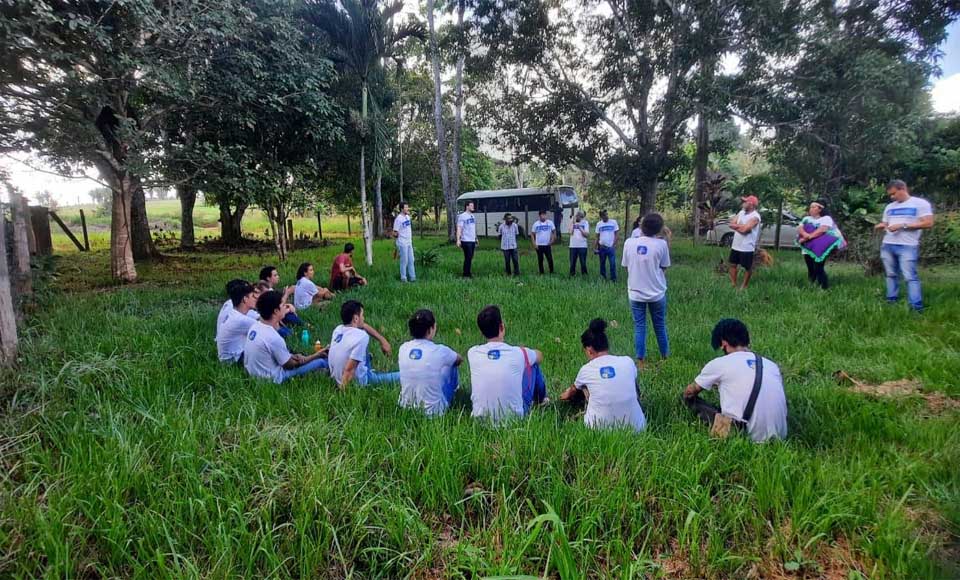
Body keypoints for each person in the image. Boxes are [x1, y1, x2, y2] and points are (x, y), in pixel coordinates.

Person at [681, 319, 787, 443]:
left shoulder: (720, 364)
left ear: (723, 343)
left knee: (687, 399)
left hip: (744, 436)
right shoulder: (771, 365)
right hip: (781, 437)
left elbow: (690, 391)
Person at [559, 319, 646, 432]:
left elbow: (571, 391)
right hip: (637, 427)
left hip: (597, 429)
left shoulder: (586, 370)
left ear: (589, 350)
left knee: (584, 387)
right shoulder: (627, 361)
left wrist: (563, 396)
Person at [468, 305, 548, 421]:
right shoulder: (519, 353)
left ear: (481, 332)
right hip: (514, 419)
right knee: (533, 364)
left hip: (480, 421)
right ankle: (541, 400)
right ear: (502, 327)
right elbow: (539, 356)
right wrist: (525, 353)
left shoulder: (473, 353)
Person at [873, 180, 935, 312]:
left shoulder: (920, 204)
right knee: (890, 274)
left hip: (907, 245)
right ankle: (891, 300)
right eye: (890, 195)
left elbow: (928, 223)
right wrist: (881, 226)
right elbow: (886, 223)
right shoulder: (890, 207)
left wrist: (903, 225)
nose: (892, 197)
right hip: (888, 244)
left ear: (903, 189)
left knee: (910, 277)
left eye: (894, 193)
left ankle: (916, 307)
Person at [243, 290, 329, 383]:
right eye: (283, 305)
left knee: (299, 356)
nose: (286, 307)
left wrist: (292, 356)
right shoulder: (273, 337)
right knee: (322, 362)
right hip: (272, 379)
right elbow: (291, 365)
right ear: (276, 311)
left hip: (256, 374)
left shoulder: (255, 327)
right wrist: (316, 355)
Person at [622, 213, 670, 370]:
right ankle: (665, 357)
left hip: (635, 292)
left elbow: (625, 265)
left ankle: (641, 361)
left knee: (639, 326)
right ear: (659, 229)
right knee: (660, 325)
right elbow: (664, 266)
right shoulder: (661, 244)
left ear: (641, 226)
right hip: (657, 293)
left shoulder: (629, 243)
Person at [398, 309, 463, 416]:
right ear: (430, 329)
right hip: (434, 412)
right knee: (451, 365)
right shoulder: (440, 351)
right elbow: (459, 359)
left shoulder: (403, 348)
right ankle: (457, 391)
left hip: (406, 408)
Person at [328, 300, 399, 388]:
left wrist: (382, 340)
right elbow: (349, 370)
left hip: (335, 377)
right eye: (362, 315)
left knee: (360, 335)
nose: (364, 318)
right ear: (356, 318)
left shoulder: (337, 330)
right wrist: (342, 393)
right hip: (357, 382)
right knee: (401, 376)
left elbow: (362, 325)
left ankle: (366, 358)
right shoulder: (361, 336)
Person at [796, 201, 844, 290]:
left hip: (819, 248)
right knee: (810, 268)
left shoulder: (826, 219)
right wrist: (804, 234)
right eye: (810, 207)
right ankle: (811, 285)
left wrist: (808, 237)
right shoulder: (806, 218)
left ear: (820, 209)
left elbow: (822, 230)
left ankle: (824, 287)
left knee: (818, 267)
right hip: (808, 247)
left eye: (814, 207)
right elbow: (800, 228)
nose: (811, 209)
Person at [216, 280, 259, 364]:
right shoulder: (241, 320)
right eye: (253, 296)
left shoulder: (234, 313)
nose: (256, 298)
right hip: (234, 360)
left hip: (231, 356)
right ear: (245, 299)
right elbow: (268, 329)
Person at [727, 195, 762, 289]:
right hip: (736, 245)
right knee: (733, 264)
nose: (743, 203)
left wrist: (739, 226)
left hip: (747, 247)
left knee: (747, 267)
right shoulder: (741, 212)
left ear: (751, 205)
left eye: (745, 202)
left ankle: (744, 286)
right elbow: (731, 223)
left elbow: (745, 230)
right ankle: (733, 284)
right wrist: (741, 226)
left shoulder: (755, 217)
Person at [392, 202, 416, 283]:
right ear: (402, 209)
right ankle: (403, 278)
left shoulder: (407, 217)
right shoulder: (398, 219)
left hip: (409, 242)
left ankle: (413, 277)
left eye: (407, 207)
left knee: (411, 260)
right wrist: (396, 242)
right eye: (406, 207)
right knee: (404, 261)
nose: (407, 209)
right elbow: (395, 232)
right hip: (402, 243)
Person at [594, 210, 620, 281]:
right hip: (602, 247)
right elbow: (597, 236)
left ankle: (613, 279)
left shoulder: (613, 222)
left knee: (612, 264)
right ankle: (603, 278)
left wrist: (614, 244)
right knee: (602, 263)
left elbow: (617, 234)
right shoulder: (599, 224)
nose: (606, 216)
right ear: (601, 217)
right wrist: (595, 247)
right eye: (604, 215)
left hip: (610, 247)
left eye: (607, 214)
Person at [530, 209, 556, 274]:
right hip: (539, 245)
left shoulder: (550, 223)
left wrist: (553, 239)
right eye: (542, 215)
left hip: (547, 244)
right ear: (539, 216)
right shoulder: (536, 224)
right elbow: (532, 234)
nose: (544, 216)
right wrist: (534, 243)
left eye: (545, 215)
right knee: (540, 259)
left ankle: (552, 272)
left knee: (550, 259)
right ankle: (541, 272)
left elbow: (554, 232)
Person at [456, 200, 478, 277]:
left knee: (470, 257)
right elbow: (459, 228)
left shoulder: (472, 216)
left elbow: (473, 228)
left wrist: (476, 238)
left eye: (473, 205)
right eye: (471, 205)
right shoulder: (462, 216)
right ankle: (466, 275)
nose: (473, 207)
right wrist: (458, 240)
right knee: (468, 257)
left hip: (472, 240)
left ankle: (468, 272)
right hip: (465, 240)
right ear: (467, 206)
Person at [568, 210, 589, 276]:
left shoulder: (585, 223)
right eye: (577, 216)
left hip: (582, 246)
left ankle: (584, 275)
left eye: (580, 216)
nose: (579, 218)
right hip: (573, 246)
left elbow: (586, 235)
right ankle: (572, 275)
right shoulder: (572, 222)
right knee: (572, 263)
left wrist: (579, 227)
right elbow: (570, 233)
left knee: (583, 262)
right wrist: (573, 223)